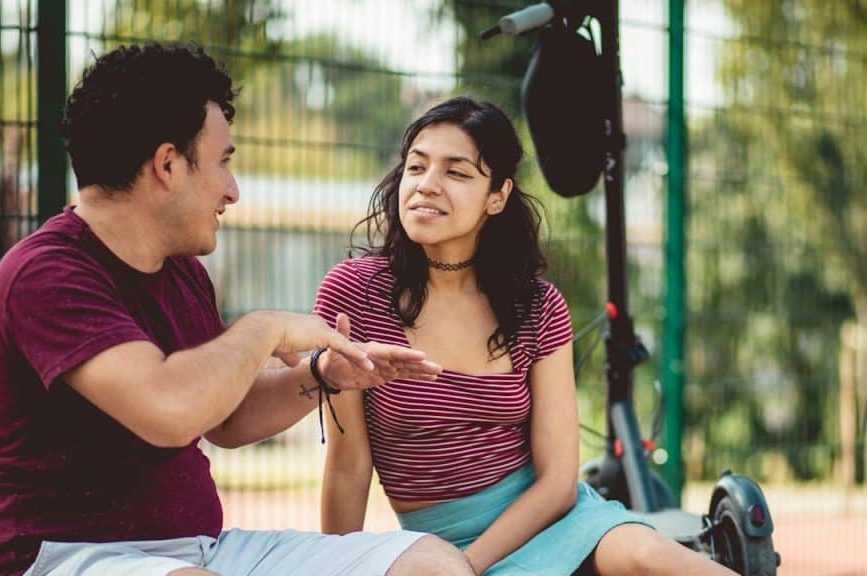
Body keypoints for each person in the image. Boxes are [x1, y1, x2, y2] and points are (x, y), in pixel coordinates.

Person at [0, 42, 478, 576]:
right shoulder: (47, 273)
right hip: (62, 558)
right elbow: (168, 409)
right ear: (167, 164)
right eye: (223, 162)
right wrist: (264, 329)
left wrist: (324, 376)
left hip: (198, 550)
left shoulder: (181, 269)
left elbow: (226, 417)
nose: (232, 190)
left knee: (431, 564)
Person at [315, 96, 737, 575]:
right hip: (432, 546)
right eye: (416, 167)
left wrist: (467, 565)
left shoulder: (537, 306)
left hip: (555, 521)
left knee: (650, 556)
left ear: (497, 195)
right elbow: (348, 466)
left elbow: (558, 481)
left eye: (456, 173)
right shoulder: (351, 294)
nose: (426, 186)